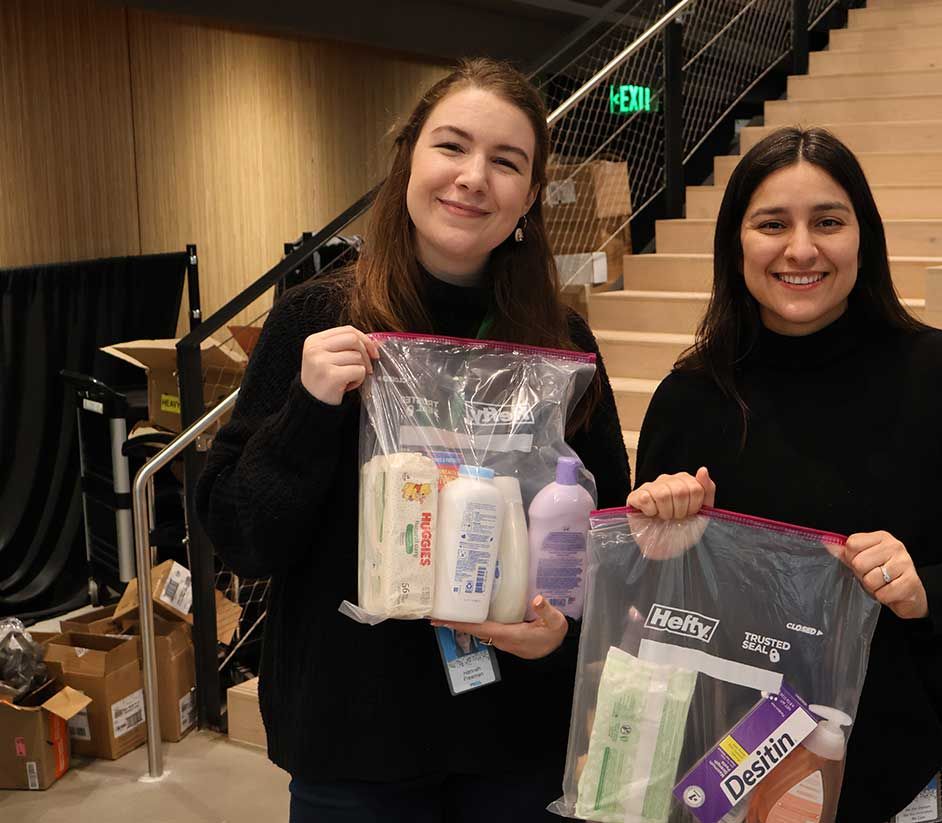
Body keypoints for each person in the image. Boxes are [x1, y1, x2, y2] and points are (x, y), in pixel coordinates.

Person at [197, 58, 631, 822]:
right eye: (451, 146)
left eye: (506, 162)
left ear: (531, 196)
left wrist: (560, 636)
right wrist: (307, 409)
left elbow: (604, 533)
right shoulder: (316, 319)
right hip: (354, 742)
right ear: (408, 161)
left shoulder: (560, 344)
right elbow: (241, 537)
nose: (473, 178)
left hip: (512, 736)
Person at [628, 127, 942, 822]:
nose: (801, 249)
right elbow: (657, 601)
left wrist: (925, 589)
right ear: (736, 244)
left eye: (827, 222)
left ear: (864, 238)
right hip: (732, 754)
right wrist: (660, 542)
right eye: (773, 224)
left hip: (909, 747)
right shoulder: (691, 397)